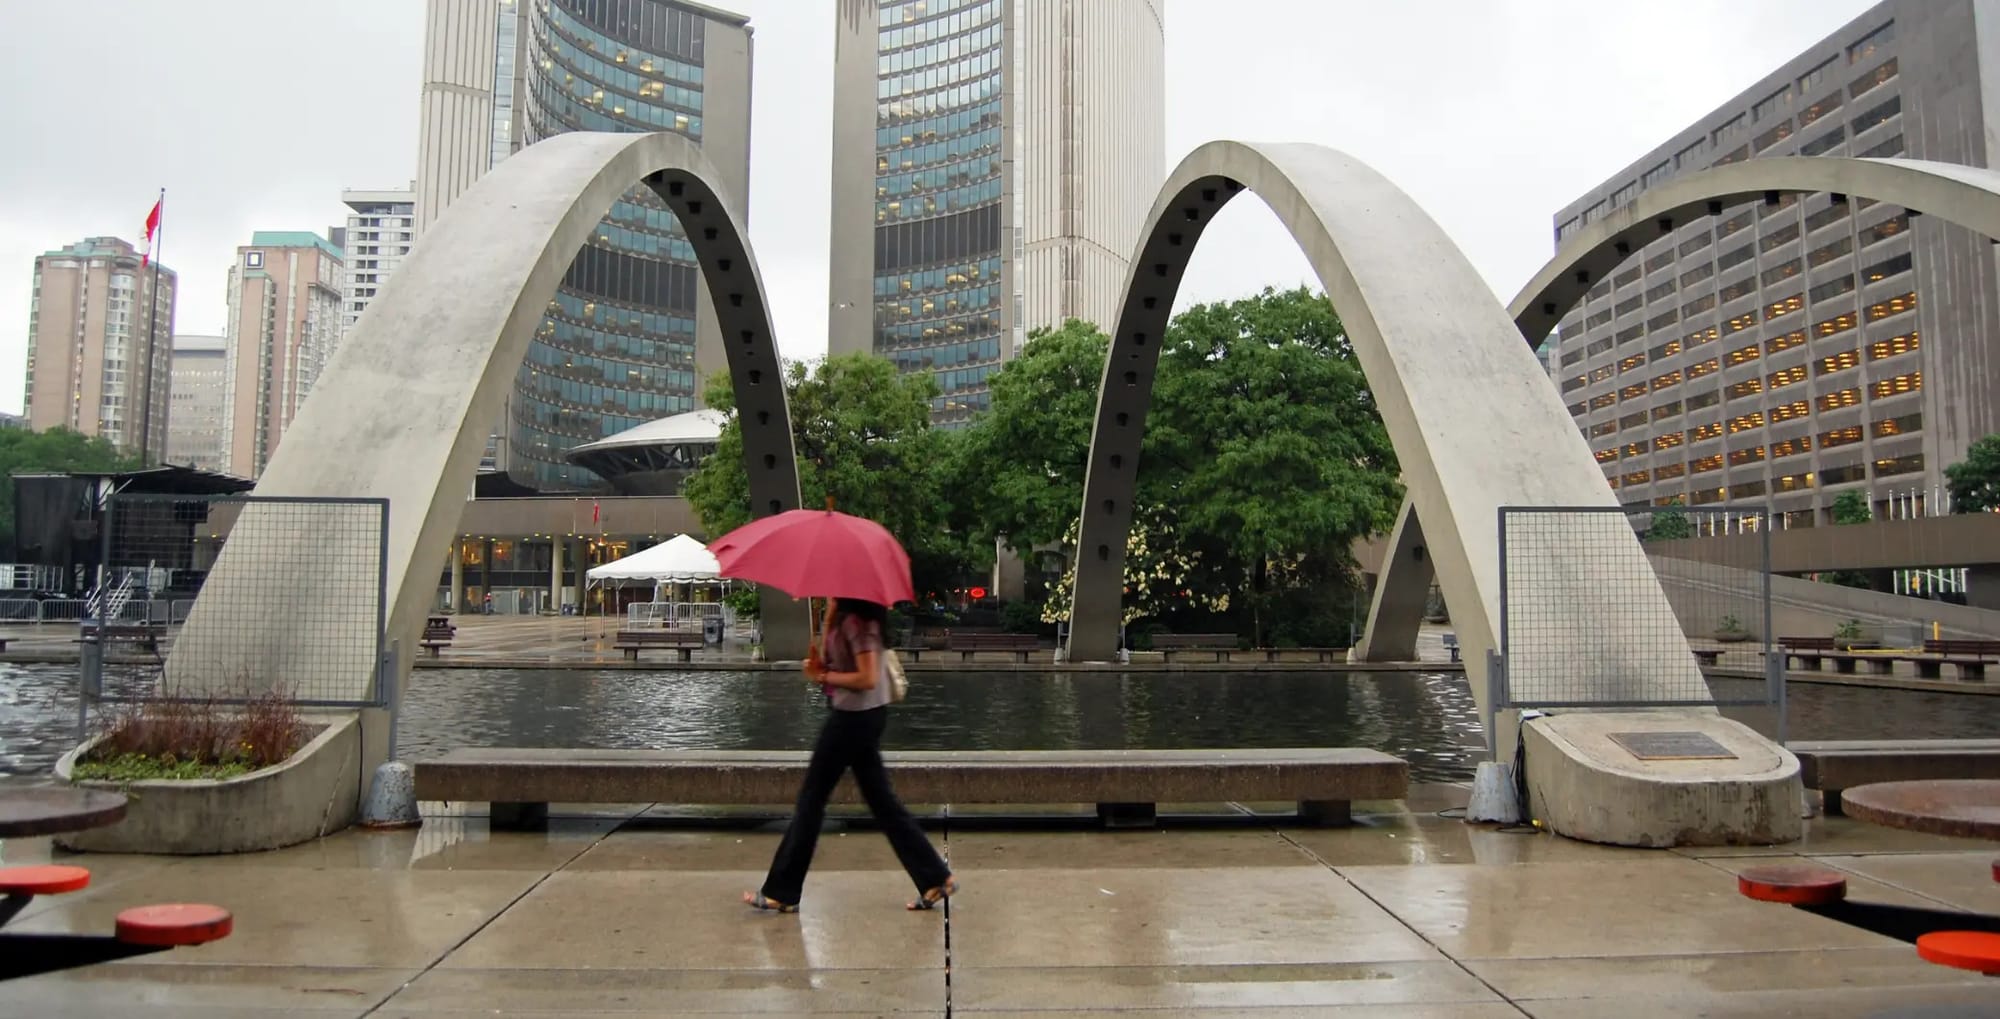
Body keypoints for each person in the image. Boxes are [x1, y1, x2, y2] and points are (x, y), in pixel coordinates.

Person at [743, 597, 956, 914]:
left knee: (812, 800)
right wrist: (827, 625)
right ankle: (935, 878)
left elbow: (867, 677)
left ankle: (782, 889)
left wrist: (823, 677)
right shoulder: (845, 617)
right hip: (859, 716)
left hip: (852, 720)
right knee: (882, 802)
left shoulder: (858, 622)